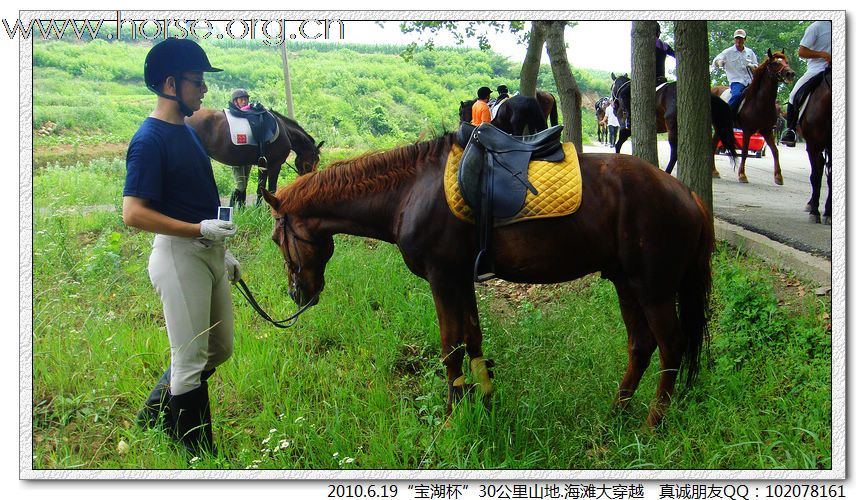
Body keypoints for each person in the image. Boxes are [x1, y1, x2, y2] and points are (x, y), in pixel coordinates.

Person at [122, 38, 241, 456]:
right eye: (197, 82)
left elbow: (198, 197)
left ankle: (154, 414)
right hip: (178, 253)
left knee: (219, 348)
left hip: (205, 249)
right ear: (170, 84)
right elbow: (133, 213)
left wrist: (220, 250)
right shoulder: (148, 139)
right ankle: (199, 455)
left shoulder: (187, 132)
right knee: (189, 362)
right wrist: (198, 230)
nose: (204, 90)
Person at [780, 21, 831, 147]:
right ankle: (791, 130)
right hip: (818, 69)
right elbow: (801, 52)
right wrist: (821, 54)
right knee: (793, 95)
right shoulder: (816, 27)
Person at [712, 29, 759, 114]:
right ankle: (727, 115)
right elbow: (716, 60)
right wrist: (719, 62)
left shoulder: (750, 52)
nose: (738, 40)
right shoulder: (727, 52)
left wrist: (753, 66)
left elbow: (756, 65)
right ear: (734, 39)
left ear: (745, 39)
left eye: (741, 38)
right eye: (737, 38)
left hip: (750, 81)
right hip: (737, 82)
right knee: (737, 95)